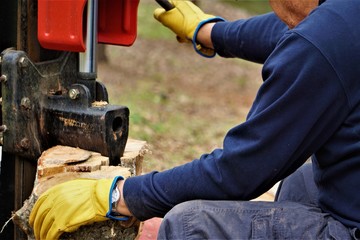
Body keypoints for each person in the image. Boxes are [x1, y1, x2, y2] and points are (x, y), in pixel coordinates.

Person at [29, 0, 360, 239]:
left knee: (190, 226)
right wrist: (208, 31)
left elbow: (239, 172)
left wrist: (117, 197)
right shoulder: (343, 16)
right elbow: (305, 29)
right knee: (303, 184)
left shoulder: (320, 40)